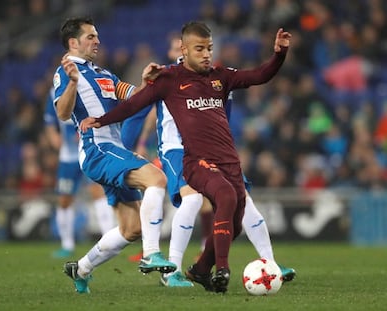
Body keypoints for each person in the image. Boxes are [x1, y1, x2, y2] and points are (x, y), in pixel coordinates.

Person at [80, 21, 292, 293]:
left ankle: (209, 268)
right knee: (200, 199)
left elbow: (260, 75)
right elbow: (134, 106)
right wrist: (102, 120)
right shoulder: (167, 78)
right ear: (184, 49)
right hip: (183, 153)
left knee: (238, 214)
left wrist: (279, 55)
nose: (206, 54)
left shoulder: (220, 76)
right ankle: (186, 269)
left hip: (224, 157)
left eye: (210, 48)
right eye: (200, 49)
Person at [53, 17, 176, 294]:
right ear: (73, 42)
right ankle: (152, 254)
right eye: (90, 36)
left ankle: (81, 268)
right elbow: (62, 113)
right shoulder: (66, 72)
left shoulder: (104, 74)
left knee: (131, 228)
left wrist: (146, 83)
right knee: (156, 179)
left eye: (96, 36)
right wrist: (73, 83)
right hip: (97, 150)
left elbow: (132, 97)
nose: (97, 40)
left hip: (115, 150)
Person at [44, 87, 118, 258]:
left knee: (98, 192)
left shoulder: (89, 87)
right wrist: (54, 138)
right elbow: (49, 122)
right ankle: (67, 244)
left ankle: (109, 241)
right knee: (64, 199)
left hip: (90, 151)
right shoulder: (54, 92)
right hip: (68, 156)